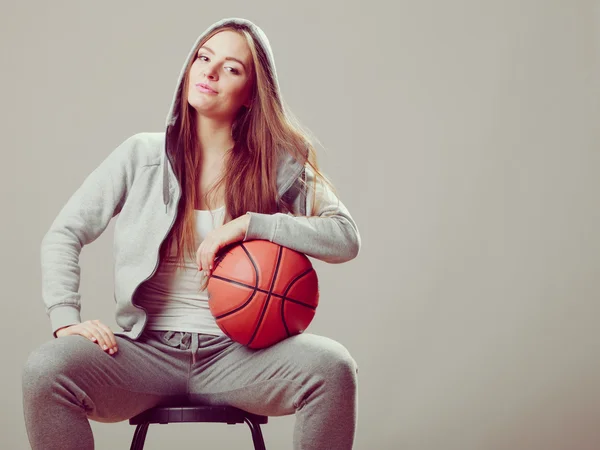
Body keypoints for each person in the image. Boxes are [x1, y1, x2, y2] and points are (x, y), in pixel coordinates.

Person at [21, 17, 361, 450]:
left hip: (240, 358)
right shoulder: (141, 155)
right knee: (44, 370)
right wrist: (65, 319)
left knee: (333, 368)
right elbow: (64, 232)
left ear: (252, 95)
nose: (210, 72)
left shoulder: (276, 166)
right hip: (144, 356)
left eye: (232, 68)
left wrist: (252, 224)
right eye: (203, 58)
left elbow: (345, 236)